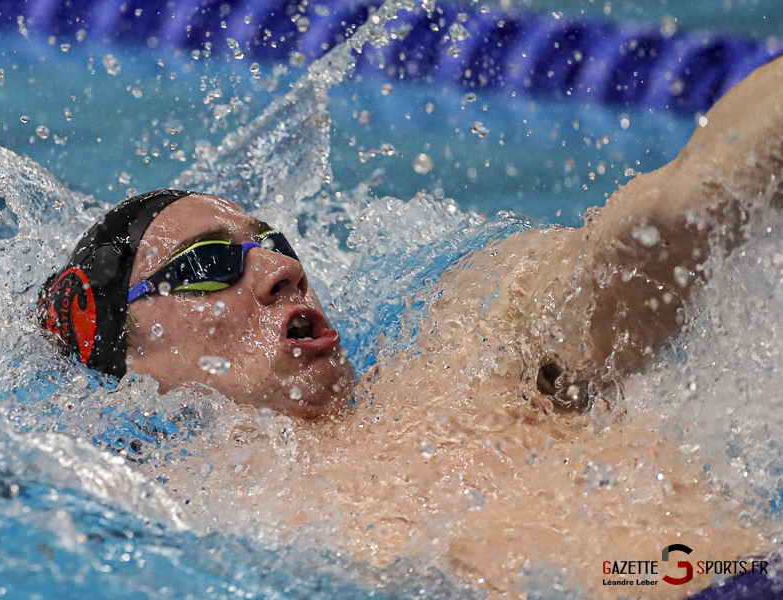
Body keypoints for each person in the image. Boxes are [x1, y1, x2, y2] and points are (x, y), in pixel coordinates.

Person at [39, 54, 783, 598]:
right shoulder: (166, 519)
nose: (281, 268)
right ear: (131, 357)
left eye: (276, 244)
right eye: (208, 264)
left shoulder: (474, 352)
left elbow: (666, 220)